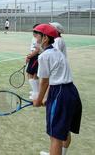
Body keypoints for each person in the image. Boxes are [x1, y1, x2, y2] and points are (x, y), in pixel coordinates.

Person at [32, 24, 82, 155]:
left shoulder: (44, 56)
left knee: (55, 137)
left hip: (60, 94)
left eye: (37, 34)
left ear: (45, 38)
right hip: (71, 91)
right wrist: (48, 98)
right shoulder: (58, 53)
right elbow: (54, 79)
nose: (35, 37)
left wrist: (38, 100)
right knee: (64, 130)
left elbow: (44, 82)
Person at [27, 24, 41, 100]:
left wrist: (29, 56)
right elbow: (33, 50)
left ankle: (36, 93)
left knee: (33, 75)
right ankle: (35, 91)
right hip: (34, 57)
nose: (33, 32)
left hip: (36, 57)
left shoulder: (38, 39)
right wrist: (30, 55)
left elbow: (37, 50)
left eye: (35, 31)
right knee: (32, 75)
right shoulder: (34, 38)